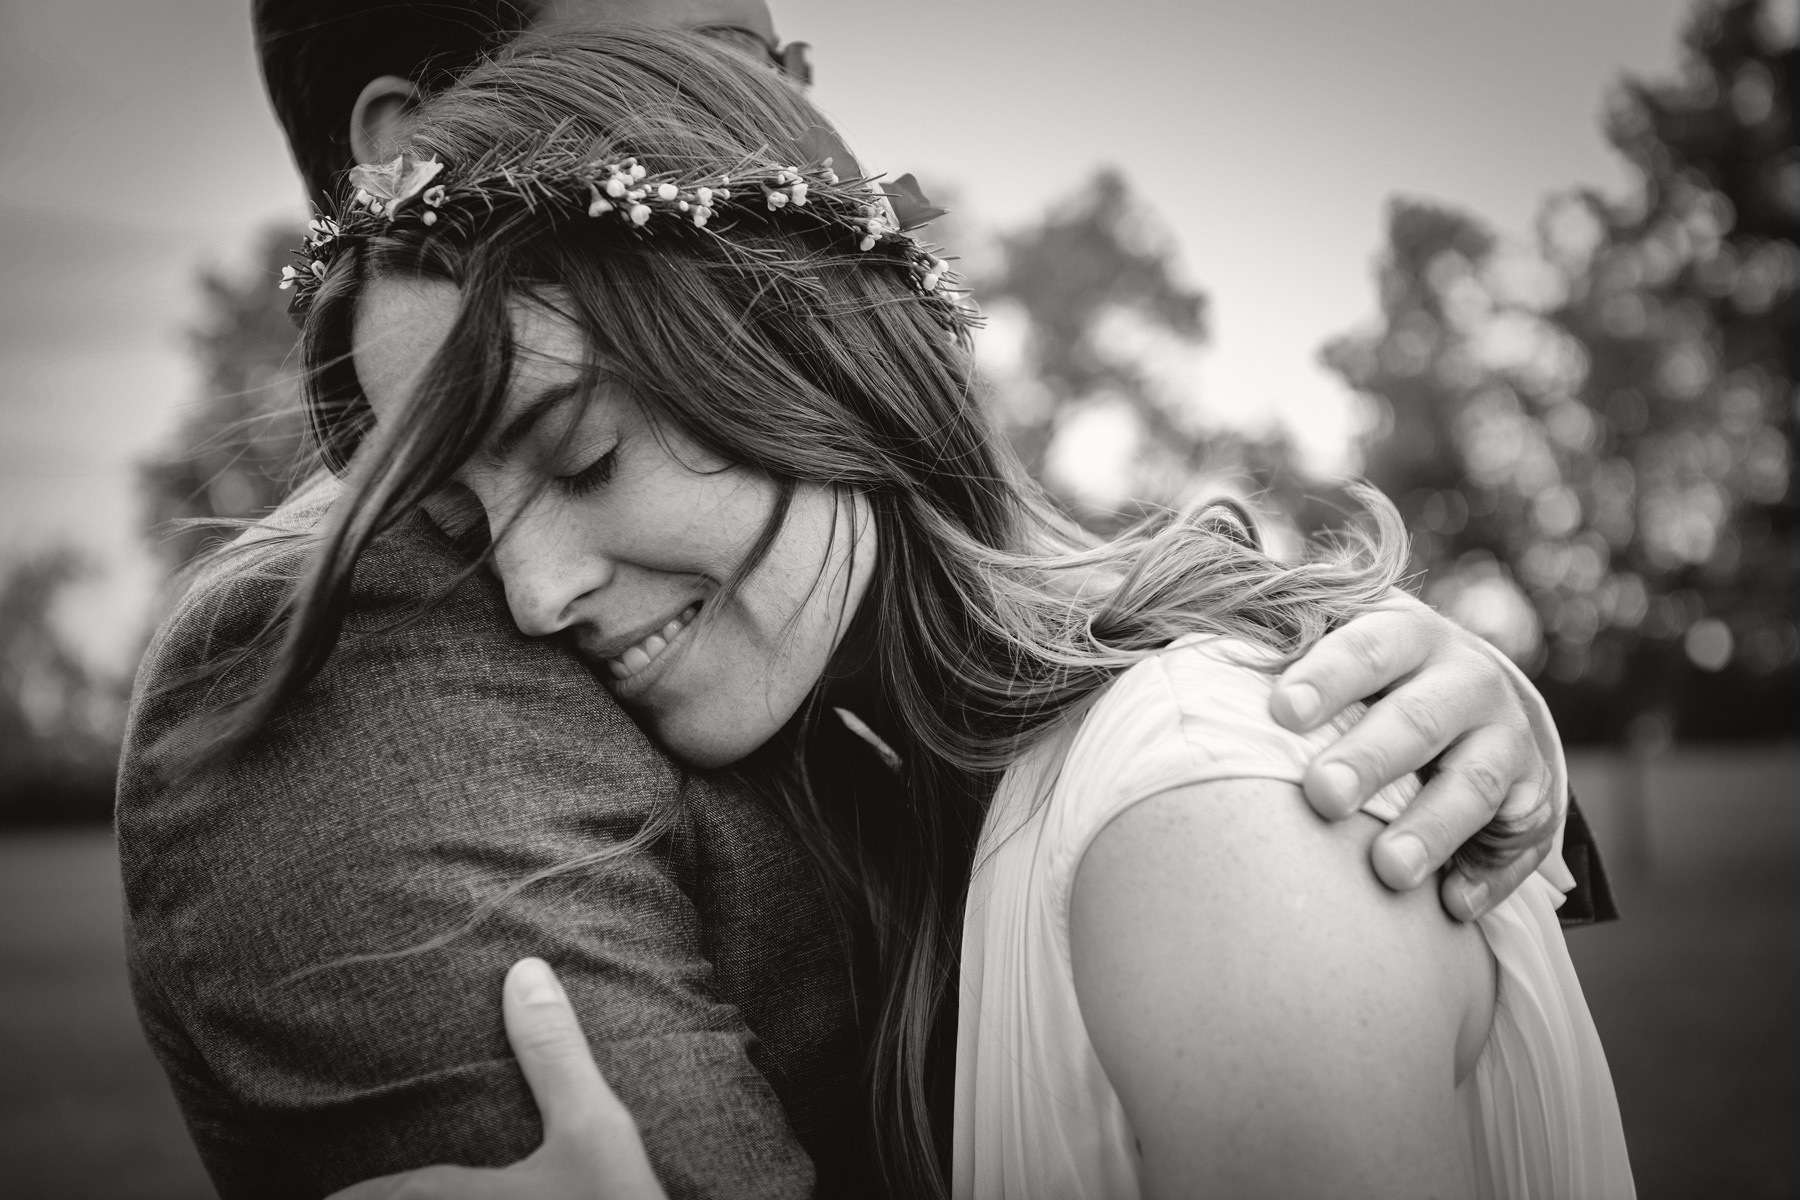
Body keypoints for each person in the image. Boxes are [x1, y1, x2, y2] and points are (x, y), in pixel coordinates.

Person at [114, 4, 1602, 1198]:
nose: (531, 590)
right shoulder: (915, 786)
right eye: (465, 516)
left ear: (805, 347)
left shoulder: (1208, 811)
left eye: (583, 460)